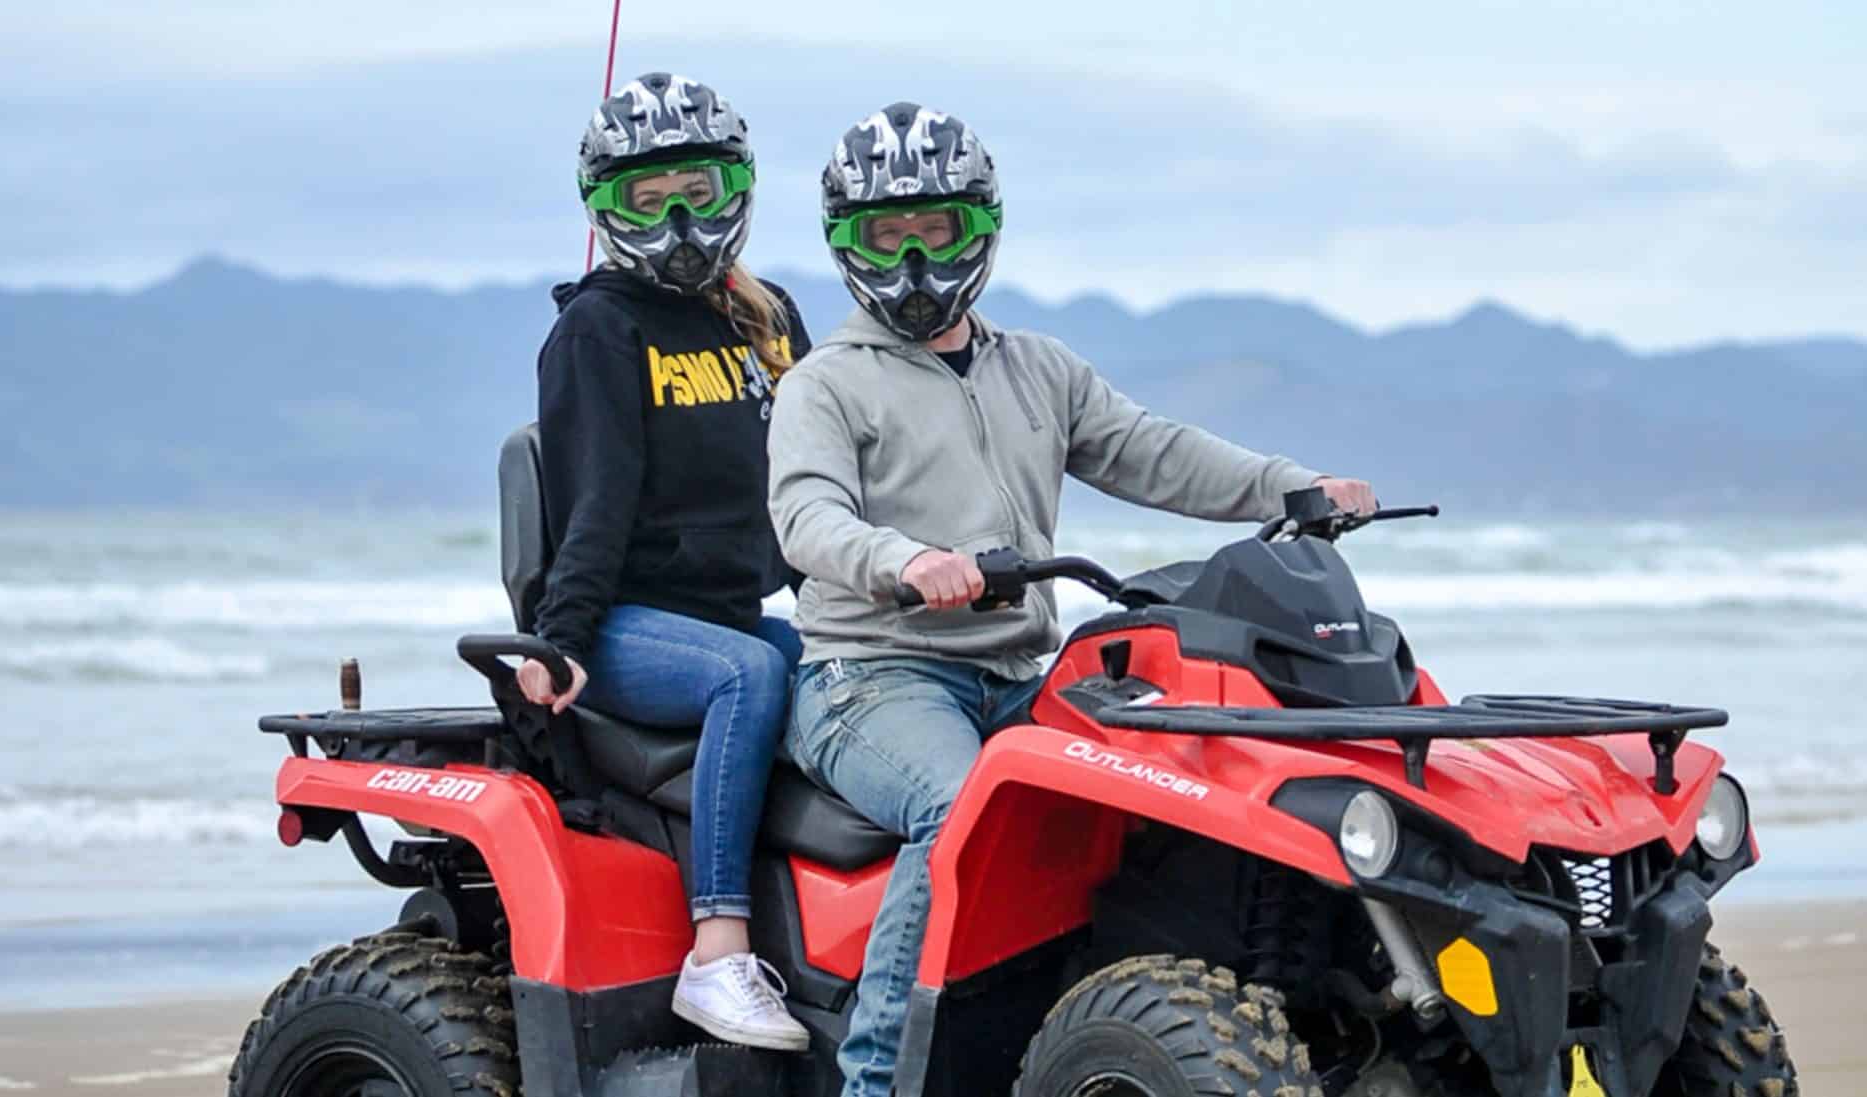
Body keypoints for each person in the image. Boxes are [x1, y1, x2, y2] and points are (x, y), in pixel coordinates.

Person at [767, 103, 1380, 1096]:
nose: (916, 252)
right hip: (871, 679)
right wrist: (903, 559)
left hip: (1015, 670)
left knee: (1184, 774)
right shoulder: (826, 385)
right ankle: (876, 1076)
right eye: (888, 231)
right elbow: (806, 516)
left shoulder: (1037, 369)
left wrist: (1290, 487)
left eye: (939, 226)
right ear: (848, 242)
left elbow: (1153, 451)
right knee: (957, 805)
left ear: (983, 228)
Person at [520, 71, 812, 1052]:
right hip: (621, 623)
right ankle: (717, 948)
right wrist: (557, 644)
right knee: (751, 670)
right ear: (605, 211)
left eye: (696, 188)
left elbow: (812, 493)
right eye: (646, 198)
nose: (679, 215)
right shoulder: (597, 332)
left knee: (849, 675)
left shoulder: (767, 322)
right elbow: (592, 505)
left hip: (734, 610)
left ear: (737, 186)